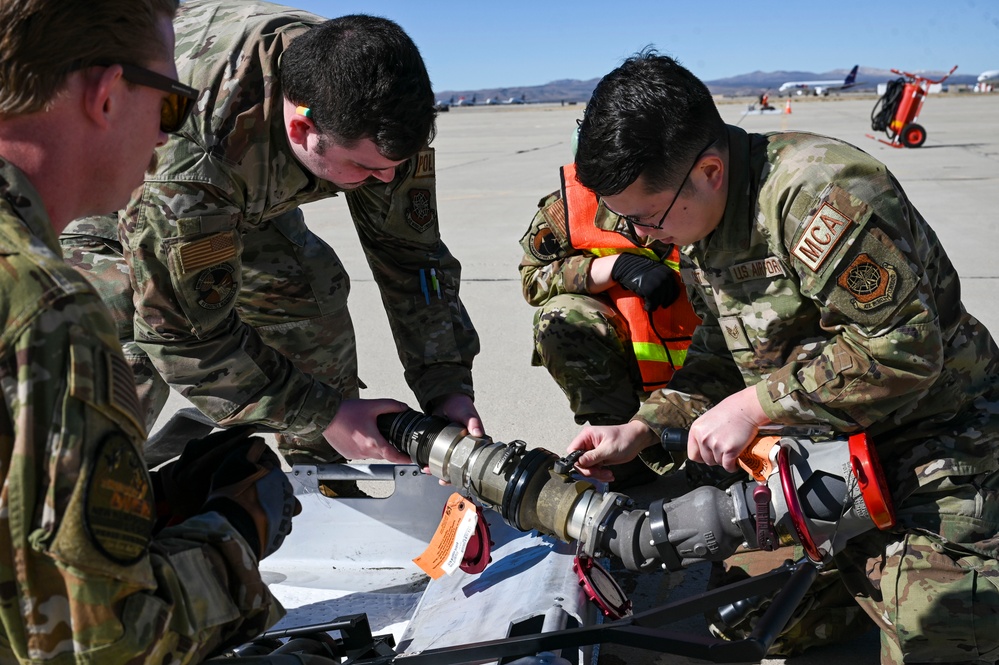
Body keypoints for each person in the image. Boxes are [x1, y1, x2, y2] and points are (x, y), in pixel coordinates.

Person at [567, 51, 999, 664]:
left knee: (947, 639)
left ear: (710, 170)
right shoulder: (699, 224)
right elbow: (717, 359)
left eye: (646, 217)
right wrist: (641, 428)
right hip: (832, 459)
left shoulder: (820, 194)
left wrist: (756, 403)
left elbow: (904, 349)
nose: (641, 239)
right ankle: (860, 570)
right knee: (742, 626)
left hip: (942, 445)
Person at [60, 0, 482, 468]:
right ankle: (76, 490)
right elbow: (180, 336)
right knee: (124, 334)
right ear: (302, 128)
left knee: (305, 293)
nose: (387, 182)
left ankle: (324, 477)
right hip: (111, 178)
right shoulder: (194, 162)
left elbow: (411, 257)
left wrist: (447, 386)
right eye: (365, 168)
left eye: (393, 168)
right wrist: (321, 412)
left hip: (239, 180)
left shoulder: (371, 95)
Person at [0, 0, 297, 660]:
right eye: (169, 102)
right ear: (107, 95)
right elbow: (96, 645)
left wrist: (147, 506)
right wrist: (234, 535)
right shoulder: (44, 306)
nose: (172, 134)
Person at [518, 159, 700, 488]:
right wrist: (612, 268)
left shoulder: (696, 189)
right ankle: (624, 459)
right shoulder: (572, 207)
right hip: (633, 367)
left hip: (716, 364)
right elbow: (533, 279)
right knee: (562, 318)